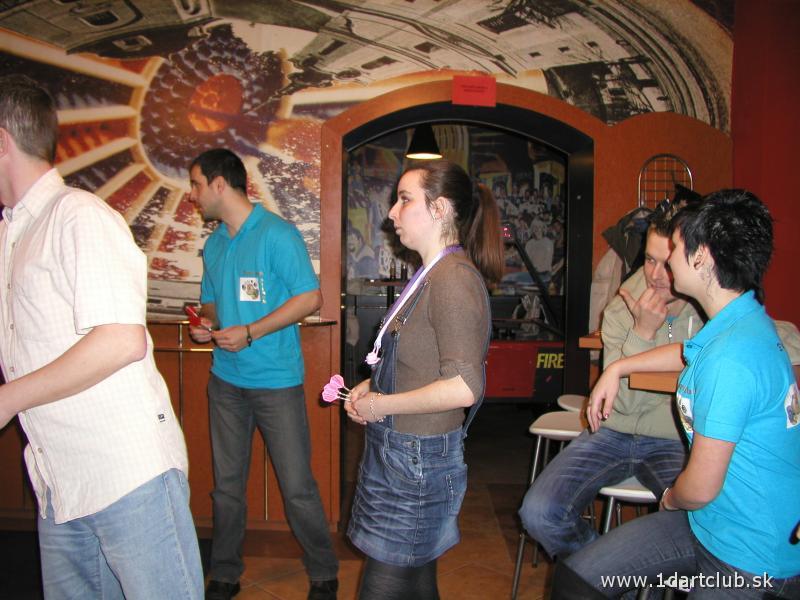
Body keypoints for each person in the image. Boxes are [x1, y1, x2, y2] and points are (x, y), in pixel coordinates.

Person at [0, 74, 203, 598]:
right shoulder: (12, 232)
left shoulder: (77, 214)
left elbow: (120, 340)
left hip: (125, 475)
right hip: (60, 481)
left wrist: (8, 399)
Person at [553, 190, 800, 598]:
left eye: (676, 249)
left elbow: (698, 489)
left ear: (701, 257)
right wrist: (618, 367)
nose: (666, 262)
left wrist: (669, 498)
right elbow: (688, 350)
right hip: (711, 525)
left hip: (749, 555)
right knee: (577, 578)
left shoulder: (731, 358)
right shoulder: (736, 319)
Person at [344, 159, 504, 599]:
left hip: (416, 460)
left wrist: (381, 404)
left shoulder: (453, 279)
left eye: (404, 199)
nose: (392, 212)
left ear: (440, 208)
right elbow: (420, 363)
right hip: (403, 452)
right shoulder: (433, 274)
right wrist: (375, 387)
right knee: (414, 583)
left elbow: (464, 387)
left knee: (384, 587)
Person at [187, 149, 338, 600]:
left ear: (219, 184)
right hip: (225, 381)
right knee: (226, 489)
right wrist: (206, 324)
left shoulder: (277, 234)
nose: (192, 194)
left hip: (276, 382)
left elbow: (310, 299)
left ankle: (323, 573)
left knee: (297, 487)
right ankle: (225, 574)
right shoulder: (215, 244)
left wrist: (251, 331)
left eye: (196, 184)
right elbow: (212, 303)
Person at [518, 200, 698, 559]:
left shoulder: (709, 309)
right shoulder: (621, 308)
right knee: (539, 513)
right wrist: (643, 333)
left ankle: (615, 571)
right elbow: (622, 404)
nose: (656, 275)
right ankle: (606, 571)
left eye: (667, 263)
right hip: (612, 431)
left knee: (702, 526)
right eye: (649, 260)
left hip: (675, 438)